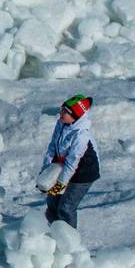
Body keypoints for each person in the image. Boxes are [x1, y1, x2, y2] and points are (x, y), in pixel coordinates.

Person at [39, 95, 101, 229]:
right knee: (52, 200)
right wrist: (45, 172)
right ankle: (52, 231)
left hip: (83, 174)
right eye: (62, 109)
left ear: (76, 116)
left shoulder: (81, 135)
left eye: (65, 112)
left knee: (66, 207)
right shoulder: (61, 123)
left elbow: (72, 163)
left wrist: (60, 185)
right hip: (63, 167)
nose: (60, 113)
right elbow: (52, 147)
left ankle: (69, 240)